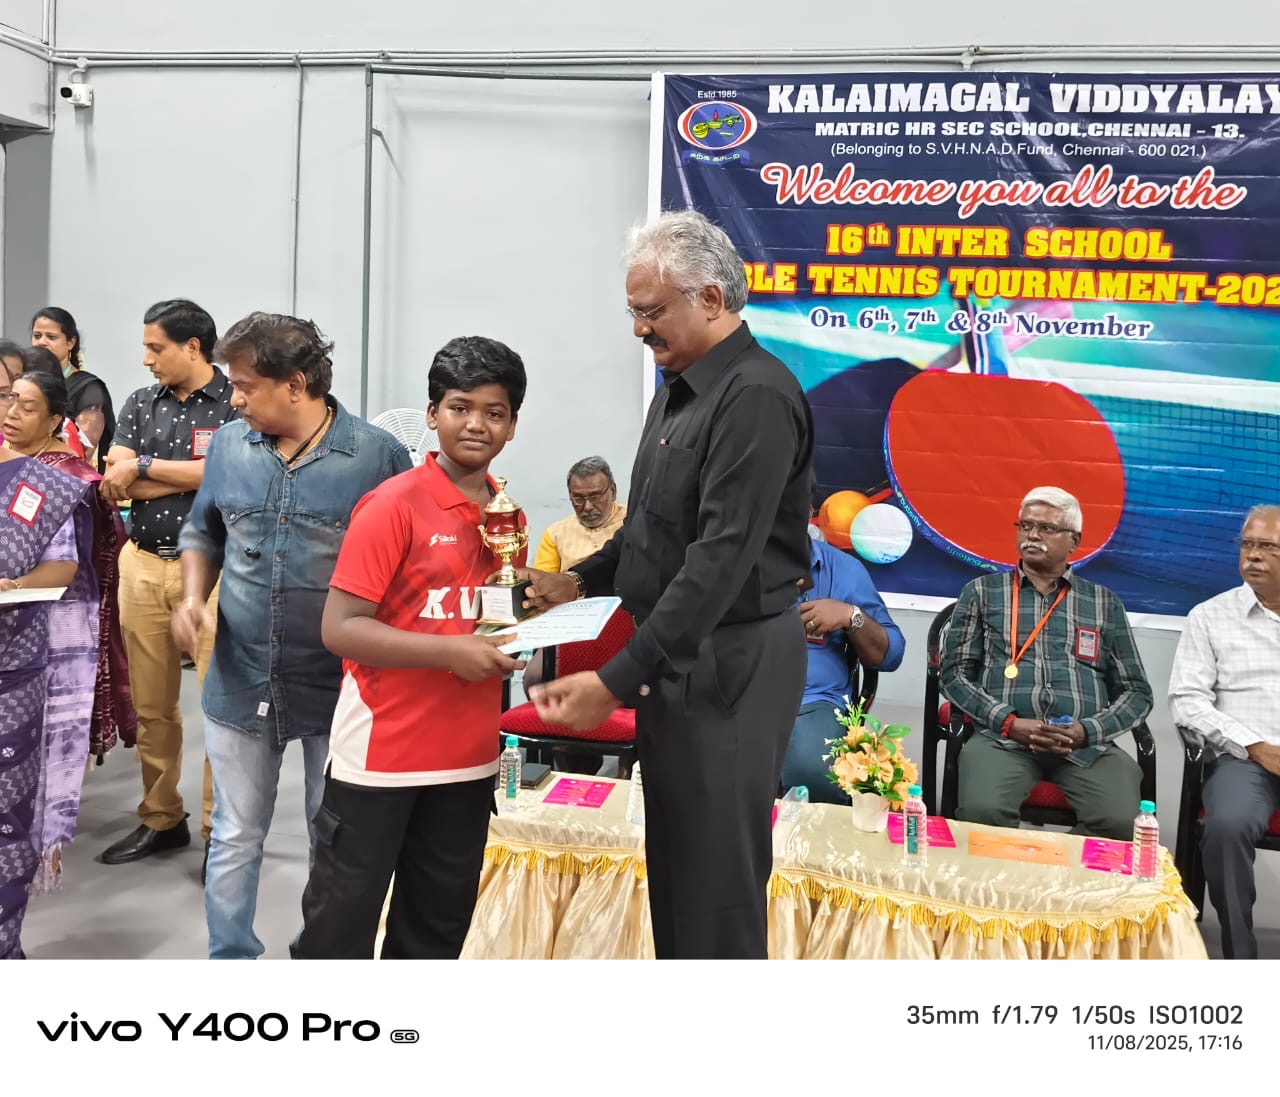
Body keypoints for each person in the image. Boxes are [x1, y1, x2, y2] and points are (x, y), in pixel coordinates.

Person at [523, 210, 814, 959]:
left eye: (650, 312)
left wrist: (614, 679)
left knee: (717, 886)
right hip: (678, 664)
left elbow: (717, 560)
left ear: (710, 299)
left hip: (731, 666)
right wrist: (578, 581)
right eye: (633, 312)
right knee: (677, 875)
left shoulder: (754, 397)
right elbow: (652, 529)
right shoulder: (678, 386)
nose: (638, 330)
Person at [173, 312, 411, 960]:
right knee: (234, 833)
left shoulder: (375, 456)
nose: (236, 398)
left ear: (297, 383)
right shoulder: (227, 446)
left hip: (340, 685)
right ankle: (231, 962)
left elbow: (404, 563)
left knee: (328, 832)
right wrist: (193, 596)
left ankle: (321, 960)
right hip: (239, 673)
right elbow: (203, 530)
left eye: (247, 385)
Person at [296, 336, 528, 960]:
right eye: (460, 407)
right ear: (432, 415)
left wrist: (519, 635)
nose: (477, 423)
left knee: (434, 933)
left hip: (469, 759)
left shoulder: (508, 518)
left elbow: (488, 622)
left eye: (495, 412)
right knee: (336, 932)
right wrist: (450, 654)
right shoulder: (392, 505)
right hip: (382, 755)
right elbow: (340, 627)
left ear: (512, 423)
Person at [97, 301, 237, 874]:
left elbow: (224, 474)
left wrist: (145, 468)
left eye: (156, 347)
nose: (145, 358)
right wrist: (146, 476)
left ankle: (218, 832)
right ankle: (162, 818)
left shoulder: (235, 400)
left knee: (220, 708)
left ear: (193, 348)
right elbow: (115, 483)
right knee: (154, 707)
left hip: (216, 573)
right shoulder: (137, 402)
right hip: (143, 565)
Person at [939, 486, 1152, 840]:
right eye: (1025, 525)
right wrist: (1009, 722)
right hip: (1003, 740)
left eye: (1046, 528)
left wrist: (1087, 731)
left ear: (1074, 541)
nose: (1032, 535)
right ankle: (1002, 892)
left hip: (1085, 745)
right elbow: (954, 674)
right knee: (982, 812)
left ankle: (1058, 890)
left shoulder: (1103, 602)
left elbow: (1137, 691)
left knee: (1121, 822)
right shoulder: (981, 592)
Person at [3, 371, 135, 889]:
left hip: (58, 620)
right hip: (14, 621)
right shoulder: (12, 464)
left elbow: (67, 567)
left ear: (57, 419)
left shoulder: (68, 478)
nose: (12, 413)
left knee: (42, 740)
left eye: (27, 406)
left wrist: (12, 584)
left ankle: (31, 851)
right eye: (10, 401)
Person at [1169, 505, 1280, 960]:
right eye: (1247, 545)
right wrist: (1254, 745)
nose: (1252, 556)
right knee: (1226, 824)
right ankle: (1240, 959)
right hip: (1245, 760)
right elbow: (1187, 700)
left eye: (1267, 547)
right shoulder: (1210, 616)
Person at [0, 447, 92, 958]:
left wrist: (10, 584)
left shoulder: (37, 486)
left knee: (5, 822)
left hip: (10, 670)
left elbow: (61, 566)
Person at [783, 488, 906, 803]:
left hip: (811, 701)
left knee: (814, 777)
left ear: (806, 510)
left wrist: (852, 616)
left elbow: (890, 654)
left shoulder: (843, 570)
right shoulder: (726, 561)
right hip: (731, 696)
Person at [31, 307, 116, 472]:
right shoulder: (23, 382)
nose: (42, 342)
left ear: (71, 342)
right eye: (37, 336)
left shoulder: (89, 389)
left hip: (64, 477)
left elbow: (82, 453)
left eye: (51, 337)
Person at [532, 456, 627, 574]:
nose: (588, 507)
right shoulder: (555, 534)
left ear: (613, 491)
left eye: (595, 496)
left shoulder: (633, 521)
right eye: (578, 498)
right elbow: (543, 582)